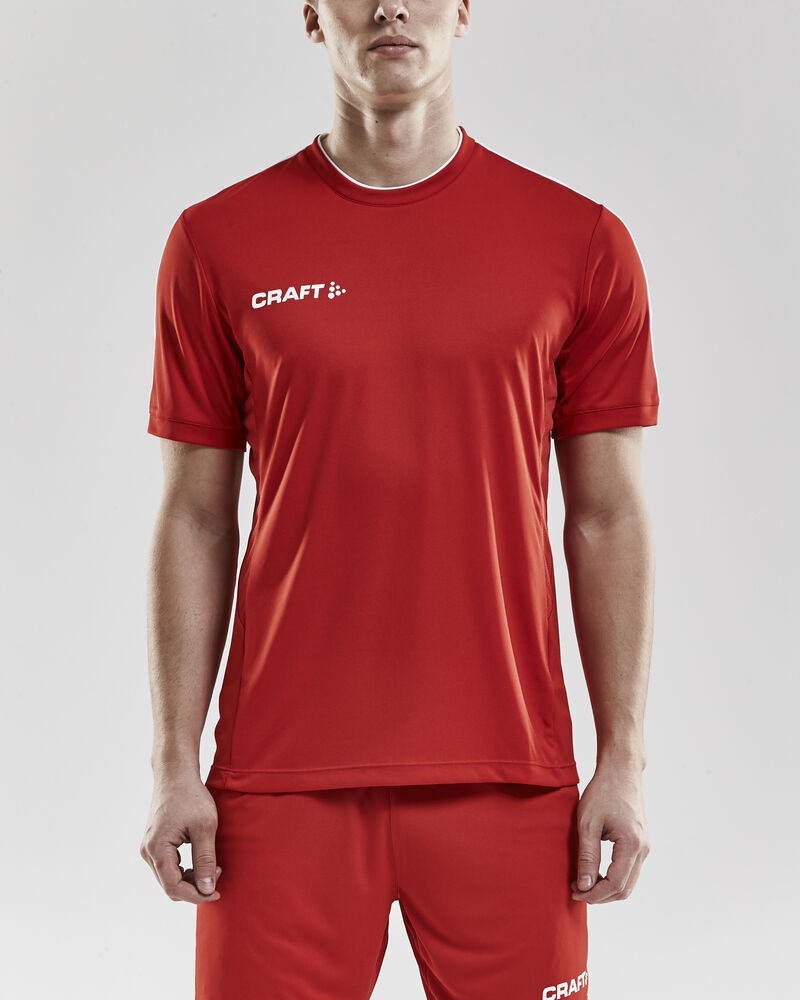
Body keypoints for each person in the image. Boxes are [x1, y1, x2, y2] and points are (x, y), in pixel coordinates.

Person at [139, 2, 659, 997]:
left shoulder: (580, 242)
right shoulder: (216, 242)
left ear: (463, 10)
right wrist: (172, 765)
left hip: (509, 777)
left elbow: (606, 518)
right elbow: (194, 518)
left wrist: (623, 761)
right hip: (278, 781)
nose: (389, 7)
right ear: (311, 16)